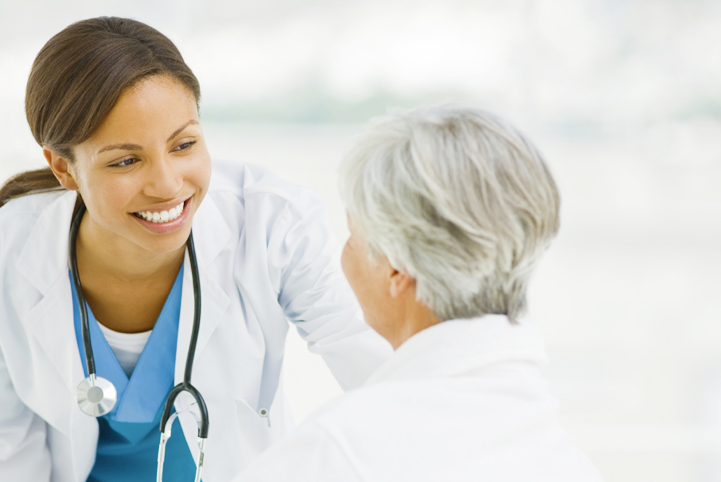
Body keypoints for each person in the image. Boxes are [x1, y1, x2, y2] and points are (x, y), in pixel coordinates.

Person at [0, 17, 391, 482]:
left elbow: (386, 375)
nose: (168, 185)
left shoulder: (274, 225)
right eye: (126, 161)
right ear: (64, 168)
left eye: (184, 144)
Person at [233, 106, 603, 481]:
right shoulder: (564, 457)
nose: (345, 253)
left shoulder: (338, 451)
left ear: (395, 268)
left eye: (353, 234)